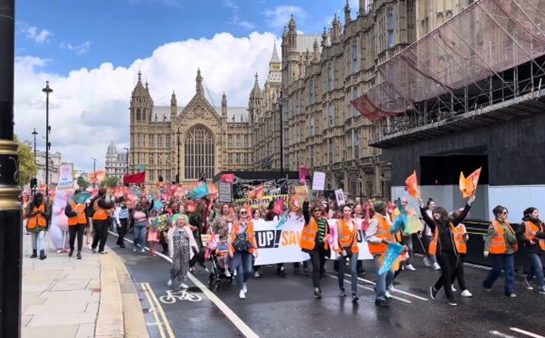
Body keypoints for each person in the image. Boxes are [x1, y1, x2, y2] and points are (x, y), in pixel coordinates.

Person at [421, 195, 474, 306]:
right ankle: (450, 298)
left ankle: (435, 288)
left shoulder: (450, 224)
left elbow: (462, 216)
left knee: (450, 274)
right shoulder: (434, 225)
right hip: (441, 253)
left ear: (442, 213)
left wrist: (469, 203)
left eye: (437, 212)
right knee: (446, 274)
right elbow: (426, 218)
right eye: (434, 212)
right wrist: (422, 208)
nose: (435, 214)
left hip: (453, 253)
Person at [483, 205, 518, 297]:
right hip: (497, 251)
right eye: (505, 213)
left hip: (508, 251)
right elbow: (488, 238)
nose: (507, 214)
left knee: (510, 270)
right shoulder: (493, 225)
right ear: (498, 214)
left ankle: (509, 291)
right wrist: (486, 250)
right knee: (497, 270)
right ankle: (487, 283)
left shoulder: (506, 223)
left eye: (507, 212)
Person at [366, 201, 397, 308]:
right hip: (378, 251)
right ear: (381, 208)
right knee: (382, 274)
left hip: (386, 250)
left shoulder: (385, 218)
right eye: (385, 207)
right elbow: (368, 237)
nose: (386, 208)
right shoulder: (375, 220)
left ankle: (380, 288)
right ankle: (380, 297)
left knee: (391, 273)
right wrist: (382, 240)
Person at [300, 200, 330, 299]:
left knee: (321, 268)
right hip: (314, 248)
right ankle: (316, 288)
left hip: (323, 248)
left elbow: (328, 232)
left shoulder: (324, 221)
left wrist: (327, 238)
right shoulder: (309, 219)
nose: (318, 212)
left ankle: (317, 282)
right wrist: (305, 202)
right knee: (316, 267)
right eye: (315, 211)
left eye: (319, 210)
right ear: (312, 212)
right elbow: (305, 211)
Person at [229, 207, 258, 299]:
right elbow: (231, 239)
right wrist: (230, 250)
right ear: (239, 214)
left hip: (247, 249)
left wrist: (256, 248)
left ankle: (244, 282)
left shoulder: (250, 224)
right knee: (240, 271)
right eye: (242, 212)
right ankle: (241, 289)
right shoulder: (236, 225)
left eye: (245, 212)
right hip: (237, 250)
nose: (244, 214)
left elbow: (253, 237)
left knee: (249, 270)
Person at [517, 207, 545, 294]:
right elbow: (518, 234)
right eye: (535, 212)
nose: (537, 214)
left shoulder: (541, 223)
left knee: (534, 268)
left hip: (541, 248)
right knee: (539, 268)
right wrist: (528, 241)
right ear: (529, 214)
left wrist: (537, 233)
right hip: (531, 249)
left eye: (537, 212)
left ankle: (526, 281)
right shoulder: (524, 224)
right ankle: (542, 287)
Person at [335, 204, 360, 303]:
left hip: (353, 249)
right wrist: (341, 249)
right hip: (342, 249)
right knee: (341, 270)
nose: (347, 212)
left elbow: (356, 237)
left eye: (349, 210)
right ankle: (342, 288)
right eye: (345, 210)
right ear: (342, 212)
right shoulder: (338, 223)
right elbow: (336, 237)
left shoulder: (355, 223)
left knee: (353, 270)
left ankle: (354, 293)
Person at [168, 215, 199, 289]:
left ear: (184, 221)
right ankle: (172, 277)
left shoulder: (188, 229)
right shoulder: (172, 229)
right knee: (176, 267)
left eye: (182, 220)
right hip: (176, 252)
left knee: (184, 268)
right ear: (177, 221)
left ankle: (181, 282)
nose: (181, 221)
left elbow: (192, 239)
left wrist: (196, 248)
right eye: (179, 220)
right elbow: (169, 239)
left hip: (186, 252)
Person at [450, 210, 472, 297]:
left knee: (456, 269)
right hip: (454, 251)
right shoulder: (449, 226)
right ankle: (463, 289)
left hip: (462, 250)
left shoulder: (462, 226)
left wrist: (466, 237)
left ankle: (450, 283)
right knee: (459, 269)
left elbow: (466, 237)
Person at [26, 192, 51, 260]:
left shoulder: (45, 205)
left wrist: (42, 212)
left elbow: (48, 215)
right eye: (37, 198)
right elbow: (27, 214)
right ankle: (34, 253)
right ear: (35, 198)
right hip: (32, 225)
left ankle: (42, 253)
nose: (39, 199)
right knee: (33, 239)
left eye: (40, 198)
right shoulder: (30, 205)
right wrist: (35, 213)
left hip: (42, 225)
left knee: (41, 238)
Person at [64, 189, 88, 259]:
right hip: (72, 222)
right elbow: (67, 213)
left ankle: (79, 251)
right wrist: (74, 213)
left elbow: (86, 213)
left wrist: (88, 224)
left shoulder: (83, 203)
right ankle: (72, 248)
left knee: (80, 237)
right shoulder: (70, 202)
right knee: (72, 237)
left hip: (82, 222)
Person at [90, 189, 114, 254]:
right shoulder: (99, 200)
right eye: (105, 193)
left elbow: (109, 206)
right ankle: (94, 247)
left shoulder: (105, 200)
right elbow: (107, 205)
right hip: (98, 219)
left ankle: (101, 249)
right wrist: (112, 201)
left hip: (105, 219)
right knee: (98, 234)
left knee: (104, 235)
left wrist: (110, 202)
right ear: (103, 194)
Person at [422, 198, 441, 271]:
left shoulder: (435, 212)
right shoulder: (426, 212)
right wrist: (421, 231)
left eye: (434, 204)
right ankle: (435, 263)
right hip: (428, 232)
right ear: (428, 205)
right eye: (432, 204)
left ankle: (426, 257)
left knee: (432, 248)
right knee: (431, 248)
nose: (433, 205)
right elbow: (423, 222)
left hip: (435, 233)